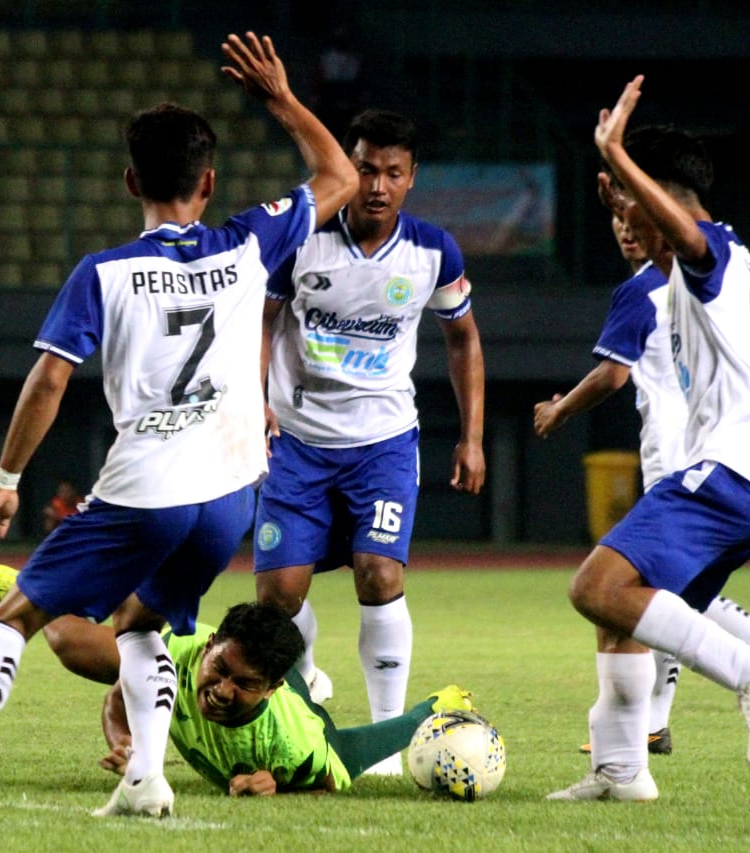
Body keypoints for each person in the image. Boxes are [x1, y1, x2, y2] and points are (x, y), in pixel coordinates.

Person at [0, 31, 358, 817]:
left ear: (130, 181)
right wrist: (283, 101)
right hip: (229, 493)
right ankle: (145, 780)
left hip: (147, 487)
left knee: (19, 612)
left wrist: (5, 480)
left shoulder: (105, 272)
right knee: (142, 623)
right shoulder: (251, 242)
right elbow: (341, 175)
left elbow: (49, 378)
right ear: (210, 179)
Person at [546, 75, 750, 803]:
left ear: (661, 197)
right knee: (620, 611)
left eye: (636, 206)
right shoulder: (695, 274)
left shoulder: (717, 253)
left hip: (730, 471)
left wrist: (623, 165)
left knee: (593, 586)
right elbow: (674, 255)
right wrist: (624, 197)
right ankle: (623, 770)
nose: (628, 223)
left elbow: (689, 241)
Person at [253, 108, 486, 774]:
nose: (376, 185)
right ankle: (307, 695)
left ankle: (386, 734)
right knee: (278, 597)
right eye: (363, 167)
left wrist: (471, 435)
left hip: (383, 444)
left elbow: (463, 336)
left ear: (412, 179)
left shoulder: (434, 251)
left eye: (392, 172)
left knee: (380, 572)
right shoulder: (302, 242)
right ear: (343, 168)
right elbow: (261, 324)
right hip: (296, 442)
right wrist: (255, 402)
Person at [100, 601, 476, 795]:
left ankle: (440, 703)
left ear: (270, 687)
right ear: (210, 646)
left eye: (244, 684)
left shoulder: (295, 744)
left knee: (347, 751)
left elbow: (324, 786)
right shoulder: (175, 648)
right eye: (220, 669)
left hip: (299, 721)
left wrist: (276, 789)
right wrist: (129, 745)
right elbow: (117, 700)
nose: (222, 691)